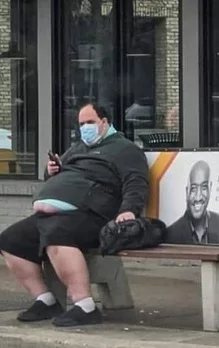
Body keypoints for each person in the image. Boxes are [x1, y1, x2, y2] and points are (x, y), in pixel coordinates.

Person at [0, 103, 149, 328]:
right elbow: (59, 180)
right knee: (10, 240)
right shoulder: (77, 149)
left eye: (90, 122)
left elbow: (135, 182)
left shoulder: (125, 149)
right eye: (81, 124)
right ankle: (45, 299)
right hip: (56, 214)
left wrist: (128, 210)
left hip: (94, 214)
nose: (85, 128)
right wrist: (50, 172)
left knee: (57, 233)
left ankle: (85, 305)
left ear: (105, 122)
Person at [166, 160, 219, 245]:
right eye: (193, 189)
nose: (198, 197)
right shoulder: (172, 233)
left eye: (204, 188)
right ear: (187, 192)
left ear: (210, 188)